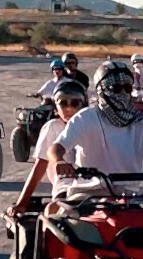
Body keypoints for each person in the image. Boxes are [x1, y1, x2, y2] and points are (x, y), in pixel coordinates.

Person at [48, 61, 143, 197]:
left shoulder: (139, 122)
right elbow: (57, 147)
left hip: (130, 194)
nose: (123, 93)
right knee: (73, 223)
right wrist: (59, 161)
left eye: (127, 88)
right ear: (102, 90)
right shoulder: (86, 117)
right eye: (117, 88)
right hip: (90, 192)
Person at [10, 80, 88, 214]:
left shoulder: (91, 125)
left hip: (95, 187)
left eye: (74, 103)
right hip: (67, 189)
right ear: (55, 107)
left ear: (83, 105)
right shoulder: (53, 127)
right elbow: (39, 167)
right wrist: (22, 203)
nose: (68, 108)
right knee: (53, 212)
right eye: (63, 103)